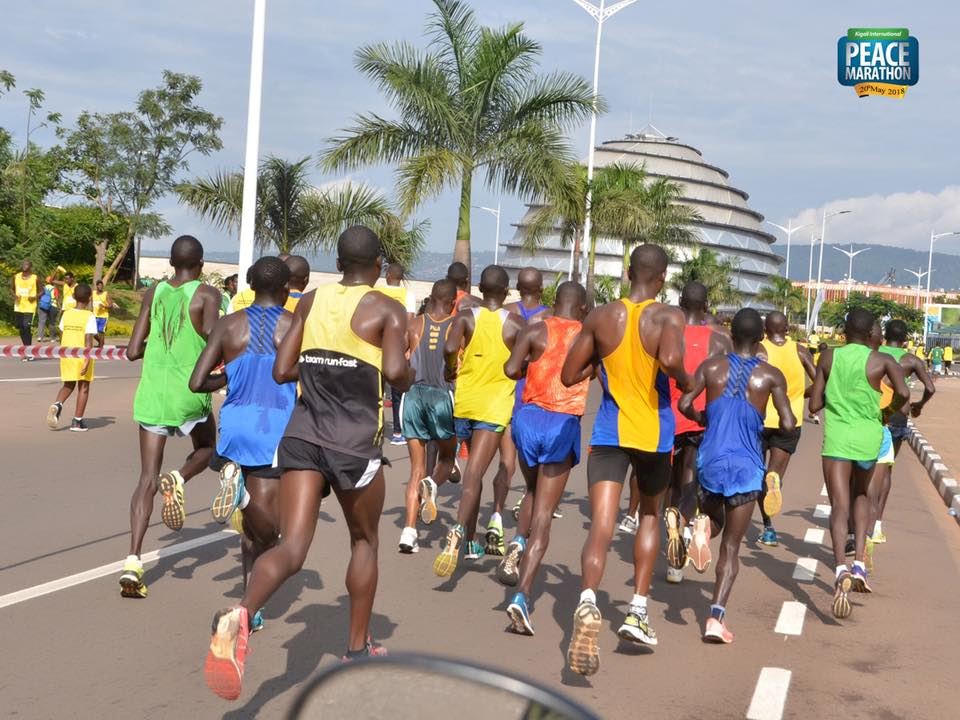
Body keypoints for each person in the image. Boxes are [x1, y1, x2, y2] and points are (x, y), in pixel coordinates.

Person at [203, 226, 413, 700]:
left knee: (292, 546)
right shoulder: (388, 309)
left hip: (300, 436)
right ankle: (356, 650)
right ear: (378, 265)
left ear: (338, 263)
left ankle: (240, 616)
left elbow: (282, 368)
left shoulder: (311, 302)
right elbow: (398, 373)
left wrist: (319, 369)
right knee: (364, 540)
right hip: (353, 442)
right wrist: (399, 370)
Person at [560, 245, 689, 674]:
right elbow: (670, 360)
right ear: (663, 276)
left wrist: (600, 366)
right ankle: (636, 610)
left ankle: (587, 601)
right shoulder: (669, 317)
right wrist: (687, 384)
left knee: (602, 522)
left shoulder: (600, 317)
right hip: (653, 433)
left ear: (629, 271)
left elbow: (568, 374)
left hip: (609, 431)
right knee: (650, 516)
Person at [189, 256, 296, 635]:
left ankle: (253, 607)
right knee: (273, 531)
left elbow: (197, 382)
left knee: (250, 533)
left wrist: (229, 381)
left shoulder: (228, 325)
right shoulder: (294, 325)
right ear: (287, 289)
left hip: (234, 427)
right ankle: (243, 497)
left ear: (250, 284)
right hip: (274, 429)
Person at [678, 308, 795, 643]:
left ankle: (697, 529)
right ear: (760, 339)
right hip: (747, 465)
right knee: (731, 546)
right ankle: (715, 618)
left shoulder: (711, 367)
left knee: (713, 517)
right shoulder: (770, 375)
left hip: (710, 458)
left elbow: (686, 403)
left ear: (731, 335)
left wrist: (705, 417)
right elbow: (787, 424)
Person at [120, 236, 221, 599]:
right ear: (202, 262)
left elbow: (132, 351)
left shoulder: (154, 292)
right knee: (211, 447)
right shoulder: (208, 295)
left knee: (146, 477)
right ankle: (178, 478)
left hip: (152, 393)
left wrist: (158, 346)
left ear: (170, 261)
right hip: (187, 392)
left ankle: (132, 560)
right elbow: (214, 337)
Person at [498, 281, 589, 635]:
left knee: (532, 488)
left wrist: (528, 370)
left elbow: (509, 369)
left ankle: (518, 541)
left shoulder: (536, 327)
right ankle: (522, 595)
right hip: (562, 422)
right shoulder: (586, 335)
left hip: (527, 418)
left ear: (555, 302)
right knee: (545, 514)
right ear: (581, 308)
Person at [808, 309, 908, 619]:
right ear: (870, 336)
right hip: (869, 436)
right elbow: (903, 394)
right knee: (863, 497)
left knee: (839, 505)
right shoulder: (883, 361)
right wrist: (886, 411)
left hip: (837, 439)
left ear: (843, 331)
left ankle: (840, 569)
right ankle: (860, 564)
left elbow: (814, 403)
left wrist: (834, 399)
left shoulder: (827, 358)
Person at [433, 265, 523, 576]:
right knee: (474, 473)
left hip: (466, 401)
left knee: (475, 473)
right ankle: (458, 529)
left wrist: (449, 368)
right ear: (506, 290)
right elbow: (523, 362)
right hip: (494, 406)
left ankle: (471, 541)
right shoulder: (515, 323)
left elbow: (448, 347)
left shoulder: (466, 316)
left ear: (481, 289)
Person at [658, 282, 731, 584]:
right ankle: (683, 536)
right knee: (690, 483)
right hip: (699, 419)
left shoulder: (665, 336)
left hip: (664, 418)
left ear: (679, 302)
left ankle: (671, 550)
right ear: (706, 306)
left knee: (666, 485)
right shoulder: (718, 341)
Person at [398, 279, 459, 554]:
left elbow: (401, 359)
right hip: (440, 396)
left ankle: (409, 532)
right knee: (447, 458)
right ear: (452, 302)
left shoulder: (413, 325)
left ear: (430, 297)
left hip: (412, 397)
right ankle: (432, 485)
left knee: (414, 470)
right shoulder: (456, 327)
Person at [868, 319, 935, 544]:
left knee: (864, 465)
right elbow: (930, 387)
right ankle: (876, 525)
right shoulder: (910, 359)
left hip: (873, 412)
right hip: (897, 416)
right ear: (906, 339)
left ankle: (858, 516)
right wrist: (919, 405)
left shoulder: (874, 352)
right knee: (885, 470)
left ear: (884, 336)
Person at [755, 311, 816, 547]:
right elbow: (819, 378)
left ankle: (767, 526)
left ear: (766, 330)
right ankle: (773, 487)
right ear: (788, 328)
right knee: (774, 476)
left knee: (758, 473)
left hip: (760, 420)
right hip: (789, 421)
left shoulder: (760, 351)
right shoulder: (800, 350)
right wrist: (804, 394)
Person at [504, 268, 553, 524]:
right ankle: (529, 493)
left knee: (508, 451)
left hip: (505, 384)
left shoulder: (507, 312)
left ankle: (498, 508)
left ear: (517, 286)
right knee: (533, 447)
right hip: (534, 388)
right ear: (541, 288)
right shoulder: (548, 318)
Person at [46, 283, 98, 432]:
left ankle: (57, 404)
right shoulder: (89, 316)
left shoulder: (67, 313)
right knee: (84, 387)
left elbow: (62, 334)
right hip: (82, 355)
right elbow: (89, 340)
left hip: (67, 353)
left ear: (74, 296)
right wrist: (87, 361)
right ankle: (77, 421)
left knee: (68, 384)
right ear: (89, 299)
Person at [378, 262, 418, 445]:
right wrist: (407, 348)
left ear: (387, 276)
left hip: (376, 344)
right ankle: (397, 432)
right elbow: (409, 324)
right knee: (396, 392)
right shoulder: (407, 295)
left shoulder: (378, 290)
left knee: (374, 387)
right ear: (402, 278)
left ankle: (372, 428)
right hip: (397, 347)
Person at [12, 260, 40, 356]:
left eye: (27, 264)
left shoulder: (35, 278)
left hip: (30, 307)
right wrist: (14, 295)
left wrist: (35, 297)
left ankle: (29, 351)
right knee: (20, 327)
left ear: (30, 266)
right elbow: (11, 289)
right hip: (18, 306)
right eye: (23, 264)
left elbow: (42, 291)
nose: (24, 265)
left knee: (26, 326)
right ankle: (26, 348)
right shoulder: (16, 276)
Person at [91, 280, 119, 348]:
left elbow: (110, 305)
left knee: (101, 332)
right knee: (93, 332)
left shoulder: (105, 294)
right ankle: (101, 342)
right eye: (99, 285)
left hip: (103, 316)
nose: (100, 287)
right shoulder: (93, 293)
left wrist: (104, 306)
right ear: (96, 286)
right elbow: (90, 302)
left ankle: (100, 347)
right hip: (95, 315)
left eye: (101, 285)